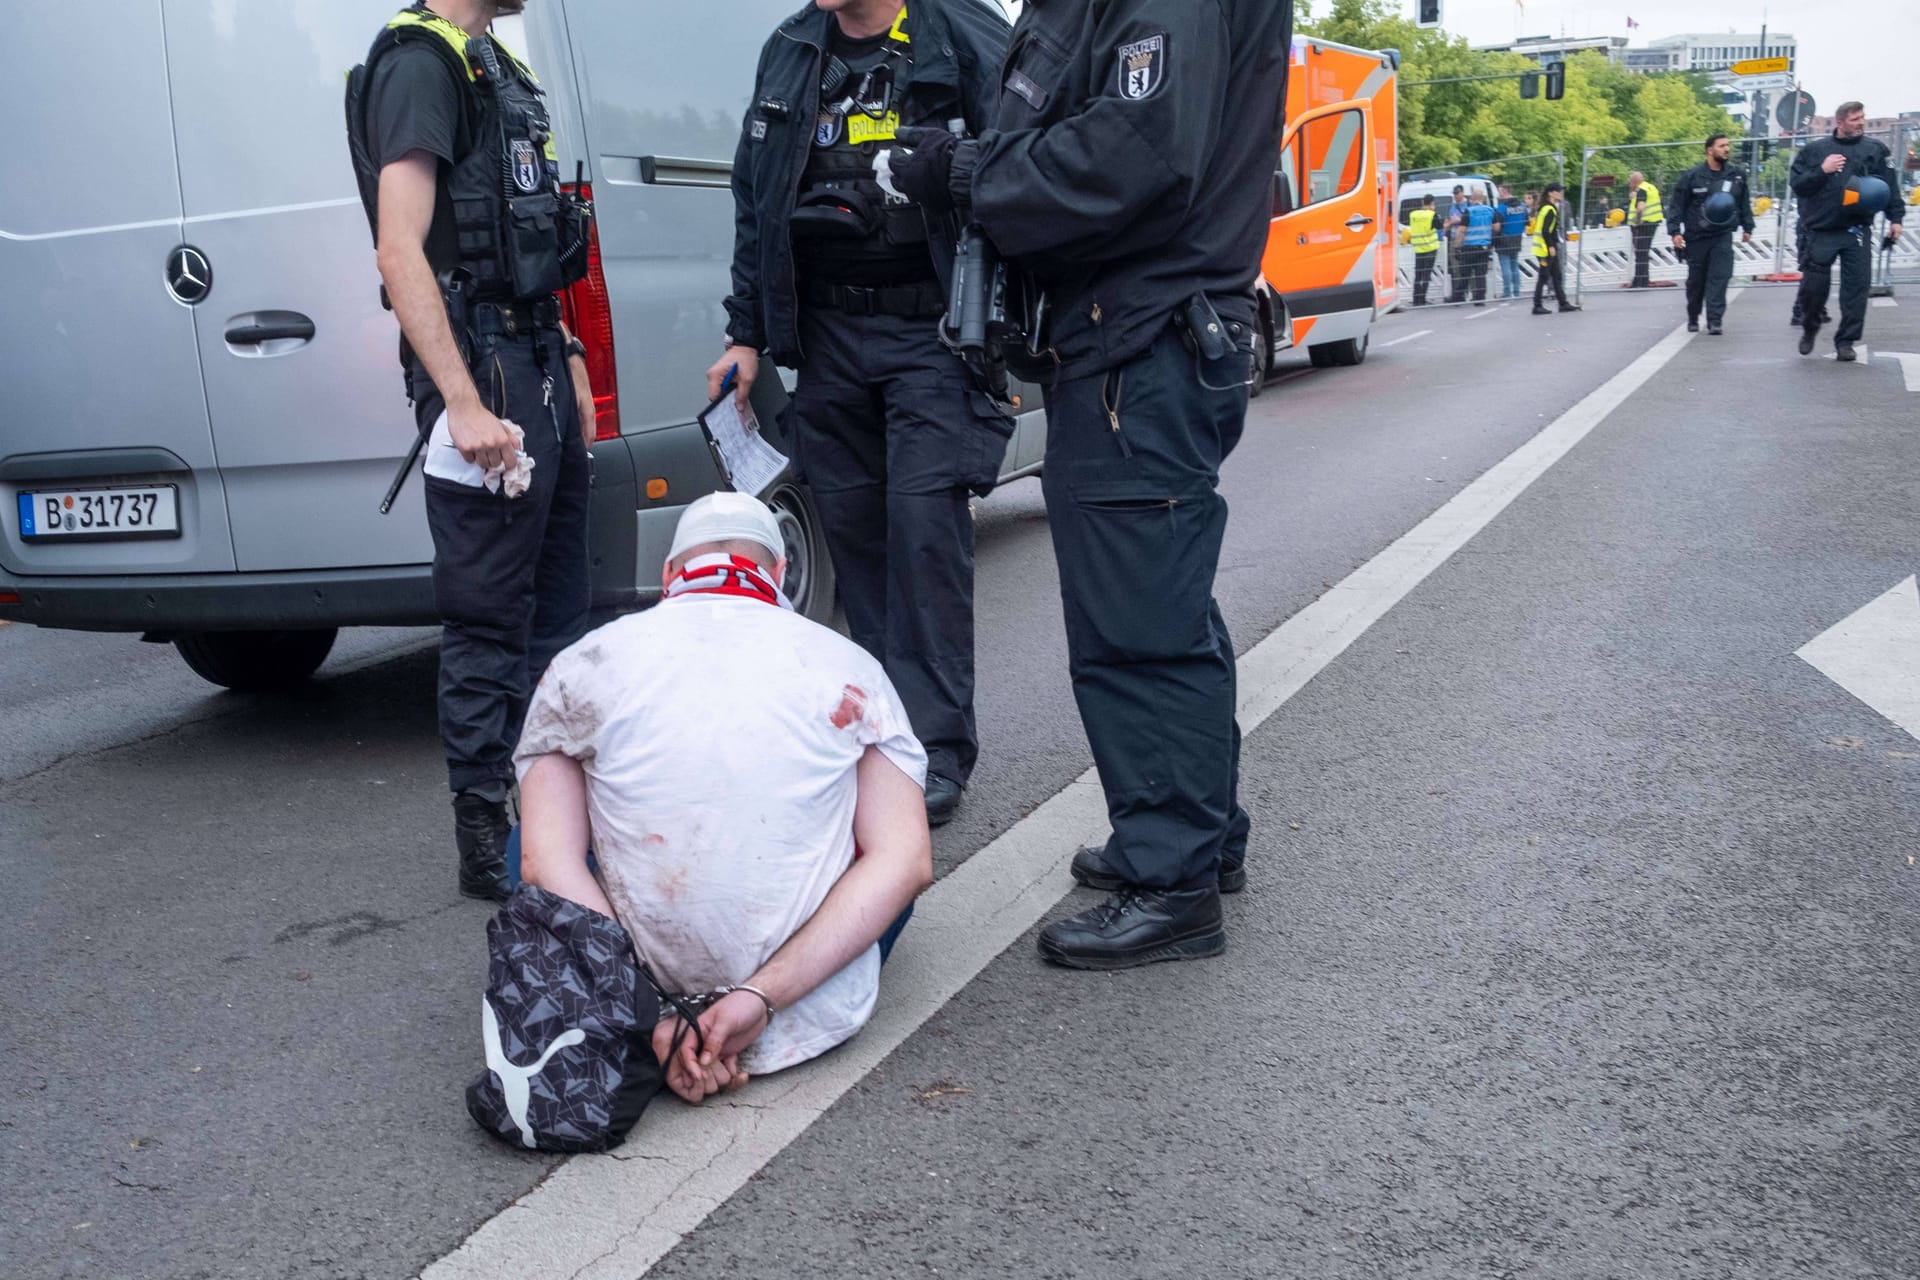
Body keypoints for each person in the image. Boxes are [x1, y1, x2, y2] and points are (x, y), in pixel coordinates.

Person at [883, 0, 1288, 969]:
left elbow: (1133, 149)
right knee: (1161, 599)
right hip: (1144, 335)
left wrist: (963, 170)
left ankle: (1173, 877)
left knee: (1137, 623)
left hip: (1140, 339)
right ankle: (1194, 830)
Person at [514, 493, 934, 1104]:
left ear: (668, 574)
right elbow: (908, 861)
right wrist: (755, 998)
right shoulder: (849, 665)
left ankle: (649, 1013)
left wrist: (655, 1012)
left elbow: (541, 864)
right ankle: (762, 997)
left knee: (527, 836)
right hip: (801, 1012)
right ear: (780, 572)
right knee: (885, 858)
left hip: (636, 994)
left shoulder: (583, 663)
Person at [708, 0, 1011, 828]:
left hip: (933, 331)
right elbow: (754, 196)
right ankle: (882, 735)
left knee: (923, 538)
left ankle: (938, 752)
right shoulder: (792, 47)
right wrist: (747, 336)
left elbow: (1025, 157)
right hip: (829, 335)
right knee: (858, 540)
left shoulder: (961, 30)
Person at [356, 0, 597, 900]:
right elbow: (398, 246)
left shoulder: (493, 61)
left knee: (563, 604)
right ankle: (483, 834)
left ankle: (552, 815)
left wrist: (568, 349)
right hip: (482, 366)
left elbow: (525, 235)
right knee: (490, 613)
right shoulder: (423, 64)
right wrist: (459, 400)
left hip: (533, 351)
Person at [1791, 102, 1906, 362]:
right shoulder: (1815, 151)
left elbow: (1890, 186)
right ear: (1840, 122)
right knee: (1813, 289)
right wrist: (1823, 170)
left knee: (1856, 287)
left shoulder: (1874, 150)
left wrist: (1895, 218)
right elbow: (1798, 185)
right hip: (1821, 229)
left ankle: (1846, 341)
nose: (1861, 123)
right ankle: (1810, 327)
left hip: (1856, 229)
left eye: (1863, 118)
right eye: (1855, 119)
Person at [1667, 133, 1755, 335]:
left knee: (1720, 277)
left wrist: (1748, 226)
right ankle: (1693, 315)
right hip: (1696, 236)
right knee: (1696, 281)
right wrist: (1675, 232)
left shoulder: (1736, 175)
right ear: (1710, 150)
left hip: (1722, 235)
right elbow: (1677, 206)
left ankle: (1715, 320)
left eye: (1728, 146)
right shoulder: (1692, 176)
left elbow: (1743, 202)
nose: (1727, 149)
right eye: (1722, 146)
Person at [1531, 183, 1579, 314]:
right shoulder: (1549, 209)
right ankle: (1537, 305)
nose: (1561, 193)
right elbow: (1546, 230)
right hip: (1544, 249)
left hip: (1545, 247)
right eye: (1558, 191)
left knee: (1556, 275)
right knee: (1543, 276)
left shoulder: (1546, 207)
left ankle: (1563, 303)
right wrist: (1551, 246)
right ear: (1551, 193)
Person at [1627, 170, 1663, 287]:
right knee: (1644, 251)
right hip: (1653, 222)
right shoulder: (1650, 187)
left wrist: (1637, 222)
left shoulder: (1641, 190)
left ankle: (1639, 281)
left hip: (1643, 225)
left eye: (1630, 182)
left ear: (1633, 182)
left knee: (1640, 252)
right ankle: (1644, 279)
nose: (1629, 184)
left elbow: (1640, 207)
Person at [1459, 190, 1495, 305]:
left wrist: (1457, 245)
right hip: (1484, 247)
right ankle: (1480, 299)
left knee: (1465, 273)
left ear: (1472, 199)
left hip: (1469, 247)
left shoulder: (1468, 211)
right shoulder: (1490, 210)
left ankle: (1458, 296)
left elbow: (1462, 230)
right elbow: (1497, 227)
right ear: (1483, 199)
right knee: (1481, 274)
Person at [1494, 186, 1528, 299]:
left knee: (1505, 266)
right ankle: (1517, 291)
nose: (1498, 194)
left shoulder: (1501, 209)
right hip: (1517, 238)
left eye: (1499, 192)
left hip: (1504, 239)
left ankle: (1507, 292)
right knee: (1514, 265)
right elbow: (1526, 222)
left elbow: (1497, 227)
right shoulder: (1523, 206)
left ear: (1504, 192)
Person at [1408, 195, 1441, 306]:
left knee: (1418, 275)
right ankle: (1422, 299)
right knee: (1426, 275)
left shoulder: (1413, 215)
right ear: (1432, 203)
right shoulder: (1432, 215)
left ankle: (1415, 299)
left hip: (1418, 249)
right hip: (1430, 249)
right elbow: (1440, 226)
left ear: (1423, 202)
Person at [1444, 184, 1470, 303]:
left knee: (1465, 267)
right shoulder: (1453, 206)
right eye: (1454, 194)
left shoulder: (1468, 205)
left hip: (1465, 238)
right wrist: (1449, 223)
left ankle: (1466, 293)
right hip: (1454, 237)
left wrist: (1459, 220)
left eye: (1457, 193)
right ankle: (1457, 294)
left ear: (1462, 193)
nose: (1455, 196)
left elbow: (1469, 220)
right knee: (1454, 268)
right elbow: (1449, 219)